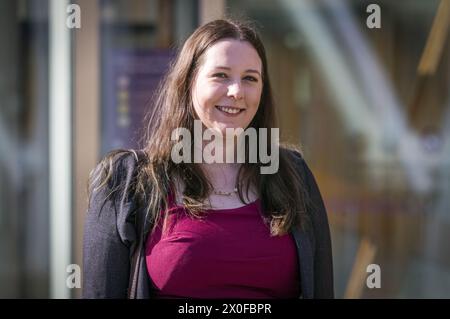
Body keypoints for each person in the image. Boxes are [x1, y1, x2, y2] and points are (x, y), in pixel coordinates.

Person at [82, 19, 334, 299]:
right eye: (221, 75)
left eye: (250, 78)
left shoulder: (294, 175)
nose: (236, 91)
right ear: (189, 82)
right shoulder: (126, 181)